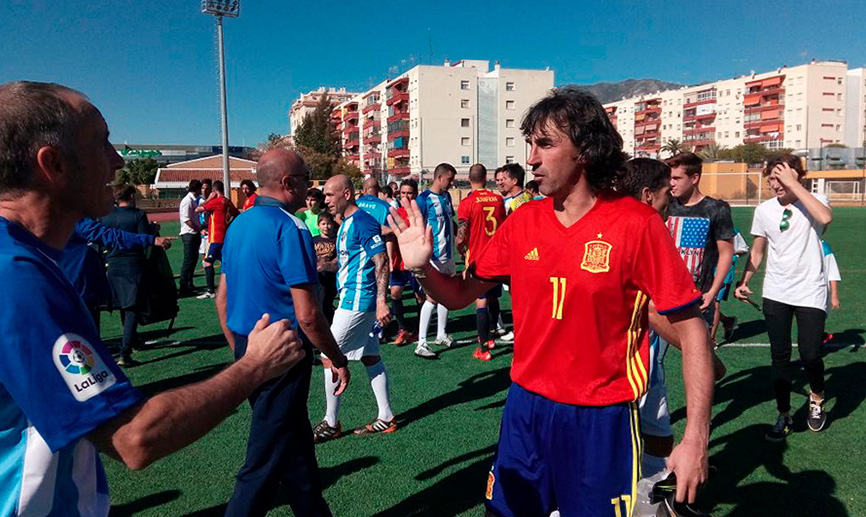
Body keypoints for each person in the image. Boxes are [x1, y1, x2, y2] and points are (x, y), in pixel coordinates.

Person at [389, 86, 712, 515]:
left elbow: (693, 332)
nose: (531, 159)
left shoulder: (637, 224)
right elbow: (458, 295)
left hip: (601, 417)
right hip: (525, 408)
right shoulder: (523, 221)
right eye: (530, 145)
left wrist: (695, 439)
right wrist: (422, 270)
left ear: (586, 150)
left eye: (545, 144)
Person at [0, 80, 305, 515]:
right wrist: (254, 365)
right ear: (54, 164)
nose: (117, 160)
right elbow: (134, 438)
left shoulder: (28, 259)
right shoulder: (15, 275)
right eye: (101, 142)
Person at [216, 148, 350, 516]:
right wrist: (336, 358)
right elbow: (308, 315)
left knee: (295, 447)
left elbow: (222, 300)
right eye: (306, 178)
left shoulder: (238, 224)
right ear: (289, 183)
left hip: (249, 347)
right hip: (282, 353)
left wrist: (242, 352)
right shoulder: (291, 227)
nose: (311, 186)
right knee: (262, 461)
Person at [618, 158, 726, 516]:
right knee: (618, 445)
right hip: (627, 365)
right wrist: (705, 356)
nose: (671, 199)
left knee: (658, 430)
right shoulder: (638, 231)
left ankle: (658, 493)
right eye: (667, 191)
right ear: (648, 194)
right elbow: (650, 310)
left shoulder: (637, 226)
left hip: (649, 358)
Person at [735, 154, 833, 441]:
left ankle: (817, 397)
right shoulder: (764, 210)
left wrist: (794, 184)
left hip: (810, 290)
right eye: (771, 180)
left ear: (796, 177)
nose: (775, 185)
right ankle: (784, 414)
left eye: (780, 179)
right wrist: (744, 280)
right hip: (776, 291)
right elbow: (758, 250)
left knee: (811, 354)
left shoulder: (816, 202)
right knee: (779, 357)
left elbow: (825, 218)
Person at [316, 175, 396, 441]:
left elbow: (381, 260)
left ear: (347, 194)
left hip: (358, 301)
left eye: (330, 194)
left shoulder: (361, 221)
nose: (326, 200)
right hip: (354, 299)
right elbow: (348, 261)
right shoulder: (346, 223)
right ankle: (386, 416)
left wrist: (382, 301)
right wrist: (325, 266)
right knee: (370, 356)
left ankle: (331, 422)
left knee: (328, 355)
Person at [666, 152, 735, 331]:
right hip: (666, 294)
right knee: (658, 349)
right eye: (670, 178)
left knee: (700, 348)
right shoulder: (665, 205)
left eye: (677, 178)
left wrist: (712, 292)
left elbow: (726, 253)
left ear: (694, 178)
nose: (671, 183)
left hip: (699, 296)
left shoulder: (716, 209)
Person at [61, 217, 171, 328]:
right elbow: (110, 236)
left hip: (58, 286)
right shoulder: (73, 217)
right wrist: (150, 239)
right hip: (77, 286)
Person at [99, 185, 159, 366]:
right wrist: (153, 230)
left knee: (124, 305)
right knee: (132, 308)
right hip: (133, 264)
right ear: (131, 196)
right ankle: (125, 352)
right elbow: (144, 240)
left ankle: (132, 340)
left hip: (113, 264)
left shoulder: (106, 216)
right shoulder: (137, 214)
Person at [456, 163, 506, 361]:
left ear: (469, 179)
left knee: (481, 301)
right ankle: (491, 337)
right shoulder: (498, 199)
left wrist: (461, 250)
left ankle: (483, 348)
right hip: (496, 257)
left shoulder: (468, 202)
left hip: (478, 258)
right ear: (486, 178)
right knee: (493, 298)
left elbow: (462, 234)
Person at [413, 163, 457, 358]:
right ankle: (421, 343)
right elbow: (417, 227)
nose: (451, 183)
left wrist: (460, 236)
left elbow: (450, 221)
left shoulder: (446, 197)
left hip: (448, 254)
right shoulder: (423, 199)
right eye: (449, 179)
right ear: (439, 178)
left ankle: (441, 334)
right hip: (434, 256)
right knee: (431, 298)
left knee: (446, 295)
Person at [389, 179, 423, 346]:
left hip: (415, 261)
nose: (406, 196)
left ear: (415, 194)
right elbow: (390, 234)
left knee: (420, 297)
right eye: (403, 193)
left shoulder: (419, 213)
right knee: (395, 293)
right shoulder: (396, 213)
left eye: (409, 193)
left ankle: (419, 330)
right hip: (399, 260)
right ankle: (402, 329)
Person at [195, 179, 239, 299]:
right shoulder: (227, 201)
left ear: (214, 191)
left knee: (207, 262)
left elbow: (197, 209)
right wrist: (228, 226)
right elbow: (237, 214)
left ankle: (210, 290)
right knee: (225, 262)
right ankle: (234, 287)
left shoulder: (216, 202)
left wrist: (209, 199)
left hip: (216, 238)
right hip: (224, 237)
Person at [711, 228, 749, 344]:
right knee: (703, 304)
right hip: (705, 270)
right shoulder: (703, 226)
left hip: (723, 271)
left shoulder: (731, 230)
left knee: (715, 303)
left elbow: (743, 249)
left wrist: (728, 253)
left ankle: (711, 340)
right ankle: (726, 320)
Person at [313, 211, 339, 323]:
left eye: (329, 224)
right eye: (323, 224)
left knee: (326, 303)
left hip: (330, 277)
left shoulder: (336, 240)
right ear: (318, 225)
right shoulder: (314, 240)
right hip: (317, 277)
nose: (326, 227)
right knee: (317, 302)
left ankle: (329, 324)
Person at [178, 179, 202, 295]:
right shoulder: (187, 201)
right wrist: (198, 229)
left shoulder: (193, 200)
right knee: (188, 261)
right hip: (189, 234)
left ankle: (189, 284)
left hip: (193, 233)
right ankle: (183, 286)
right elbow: (186, 219)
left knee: (193, 260)